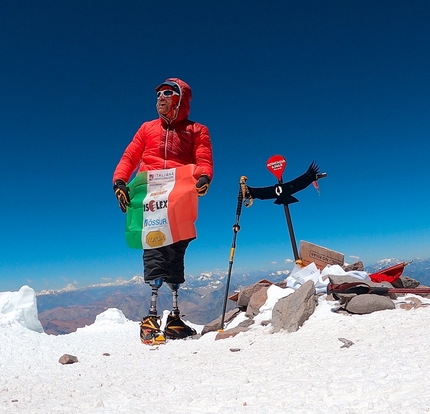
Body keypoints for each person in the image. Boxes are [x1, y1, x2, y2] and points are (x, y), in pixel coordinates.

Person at [112, 78, 213, 344]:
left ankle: (174, 319)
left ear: (181, 99)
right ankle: (151, 317)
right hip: (152, 197)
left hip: (180, 197)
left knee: (177, 250)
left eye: (167, 93)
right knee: (155, 247)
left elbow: (203, 157)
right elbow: (130, 156)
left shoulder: (196, 130)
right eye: (158, 93)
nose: (160, 97)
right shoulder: (147, 129)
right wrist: (120, 181)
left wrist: (204, 177)